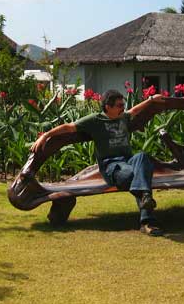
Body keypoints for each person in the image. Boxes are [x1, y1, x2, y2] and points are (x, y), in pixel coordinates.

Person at [30, 89, 165, 236]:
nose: (123, 108)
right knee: (137, 176)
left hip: (128, 161)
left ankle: (146, 198)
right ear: (108, 106)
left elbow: (135, 110)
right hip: (111, 166)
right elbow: (69, 127)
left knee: (142, 157)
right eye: (120, 105)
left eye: (123, 105)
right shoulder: (95, 120)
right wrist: (45, 136)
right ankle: (147, 221)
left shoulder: (123, 117)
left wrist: (151, 99)